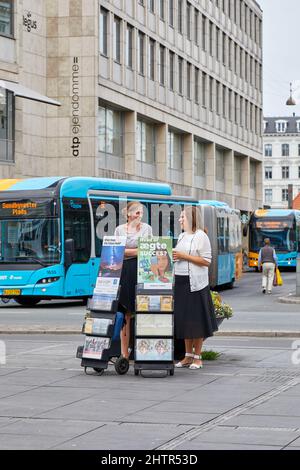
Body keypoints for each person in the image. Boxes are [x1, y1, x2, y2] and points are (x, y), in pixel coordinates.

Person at [173, 206, 218, 370]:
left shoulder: (201, 236)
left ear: (191, 219)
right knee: (185, 320)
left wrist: (183, 256)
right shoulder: (181, 236)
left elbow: (206, 261)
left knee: (196, 321)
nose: (180, 220)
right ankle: (187, 356)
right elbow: (179, 256)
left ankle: (198, 357)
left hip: (196, 284)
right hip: (181, 281)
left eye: (182, 217)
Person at [114, 201, 153, 358]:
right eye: (136, 212)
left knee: (144, 310)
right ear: (128, 214)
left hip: (142, 269)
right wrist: (137, 250)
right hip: (124, 271)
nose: (139, 215)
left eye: (141, 212)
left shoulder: (147, 228)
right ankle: (124, 353)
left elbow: (148, 248)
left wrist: (128, 251)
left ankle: (144, 350)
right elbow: (117, 251)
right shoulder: (119, 230)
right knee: (125, 313)